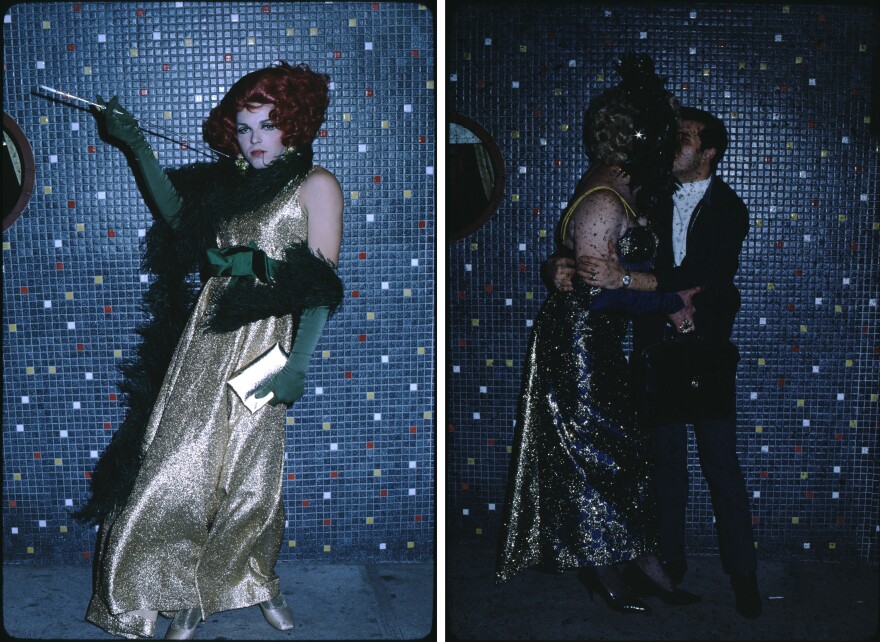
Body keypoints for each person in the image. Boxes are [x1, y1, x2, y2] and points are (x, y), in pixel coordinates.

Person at [74, 61, 344, 639]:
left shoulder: (315, 185)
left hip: (265, 344)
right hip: (205, 338)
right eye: (245, 129)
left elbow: (320, 285)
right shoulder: (230, 182)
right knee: (175, 465)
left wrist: (297, 366)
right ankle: (179, 591)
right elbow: (177, 217)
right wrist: (136, 145)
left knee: (249, 473)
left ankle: (254, 582)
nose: (254, 141)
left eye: (268, 126)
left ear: (294, 124)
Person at [495, 55, 703, 615]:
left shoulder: (628, 191)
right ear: (643, 140)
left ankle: (638, 561)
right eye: (666, 135)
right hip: (581, 344)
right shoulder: (606, 200)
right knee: (598, 454)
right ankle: (603, 567)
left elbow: (593, 274)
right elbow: (598, 291)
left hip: (603, 341)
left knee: (620, 456)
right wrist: (668, 300)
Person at [554, 107, 761, 618]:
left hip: (707, 349)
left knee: (721, 465)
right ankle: (670, 567)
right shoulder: (650, 197)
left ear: (709, 152)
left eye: (686, 138)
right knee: (663, 466)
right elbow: (607, 251)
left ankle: (744, 576)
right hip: (654, 349)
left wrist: (632, 283)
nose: (675, 145)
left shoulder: (731, 209)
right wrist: (563, 265)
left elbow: (700, 273)